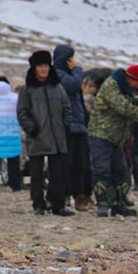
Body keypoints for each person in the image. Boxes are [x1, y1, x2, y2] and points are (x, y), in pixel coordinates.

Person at [87, 64, 138, 217]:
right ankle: (102, 203)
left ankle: (118, 203)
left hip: (116, 137)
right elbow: (124, 108)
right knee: (102, 170)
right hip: (102, 134)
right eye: (137, 83)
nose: (137, 86)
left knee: (119, 171)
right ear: (132, 79)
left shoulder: (124, 88)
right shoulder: (112, 86)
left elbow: (129, 103)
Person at [17, 50, 73, 216]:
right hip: (37, 138)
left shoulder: (58, 87)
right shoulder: (27, 89)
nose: (44, 69)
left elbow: (67, 108)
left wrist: (65, 126)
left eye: (46, 66)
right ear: (34, 68)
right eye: (40, 66)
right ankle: (38, 204)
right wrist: (32, 129)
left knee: (58, 174)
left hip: (57, 137)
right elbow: (22, 112)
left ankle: (58, 205)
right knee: (37, 175)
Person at [52, 45, 92, 211]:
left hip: (78, 126)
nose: (73, 62)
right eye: (70, 58)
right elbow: (74, 85)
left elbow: (78, 101)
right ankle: (64, 196)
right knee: (65, 164)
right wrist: (78, 69)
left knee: (81, 164)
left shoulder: (66, 75)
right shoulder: (58, 75)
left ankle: (80, 196)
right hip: (66, 126)